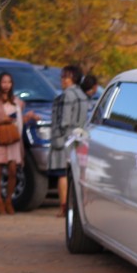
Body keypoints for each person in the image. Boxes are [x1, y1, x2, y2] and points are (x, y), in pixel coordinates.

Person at [0, 72, 38, 215]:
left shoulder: (16, 101)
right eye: (3, 82)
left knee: (13, 170)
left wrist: (29, 117)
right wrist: (2, 119)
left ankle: (8, 199)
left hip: (13, 138)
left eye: (9, 82)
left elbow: (18, 120)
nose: (6, 85)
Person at [51, 64, 91, 216]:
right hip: (81, 137)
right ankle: (82, 204)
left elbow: (64, 120)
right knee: (81, 172)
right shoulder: (82, 95)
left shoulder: (67, 95)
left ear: (72, 78)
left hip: (66, 138)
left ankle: (65, 207)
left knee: (63, 173)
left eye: (65, 77)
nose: (62, 80)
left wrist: (58, 134)